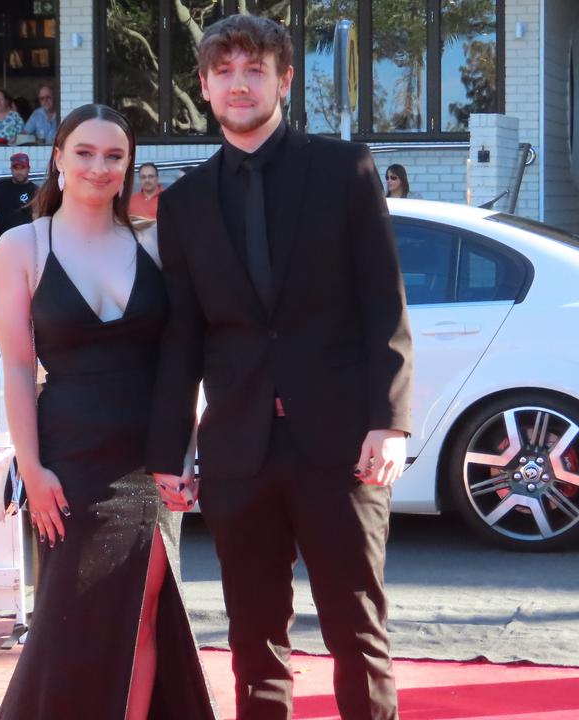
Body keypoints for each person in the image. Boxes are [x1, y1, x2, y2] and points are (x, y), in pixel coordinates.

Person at [147, 15, 413, 720]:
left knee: (356, 632)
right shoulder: (182, 204)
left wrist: (389, 423)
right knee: (253, 639)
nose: (240, 84)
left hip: (340, 446)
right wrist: (171, 448)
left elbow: (383, 304)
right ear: (203, 86)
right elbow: (183, 337)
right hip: (238, 453)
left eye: (255, 70)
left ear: (284, 80)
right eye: (225, 72)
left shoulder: (345, 169)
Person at [0, 103, 216, 720]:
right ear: (58, 159)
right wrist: (31, 470)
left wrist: (185, 451)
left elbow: (185, 358)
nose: (99, 167)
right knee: (70, 624)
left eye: (114, 156)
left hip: (149, 456)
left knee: (143, 614)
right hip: (68, 457)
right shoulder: (22, 245)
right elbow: (15, 365)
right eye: (84, 153)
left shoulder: (155, 242)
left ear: (128, 166)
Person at [0, 153, 39, 238]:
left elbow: (38, 218)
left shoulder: (35, 191)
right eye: (16, 168)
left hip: (25, 239)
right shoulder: (0, 186)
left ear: (28, 169)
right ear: (11, 169)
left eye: (23, 168)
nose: (19, 172)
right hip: (1, 239)